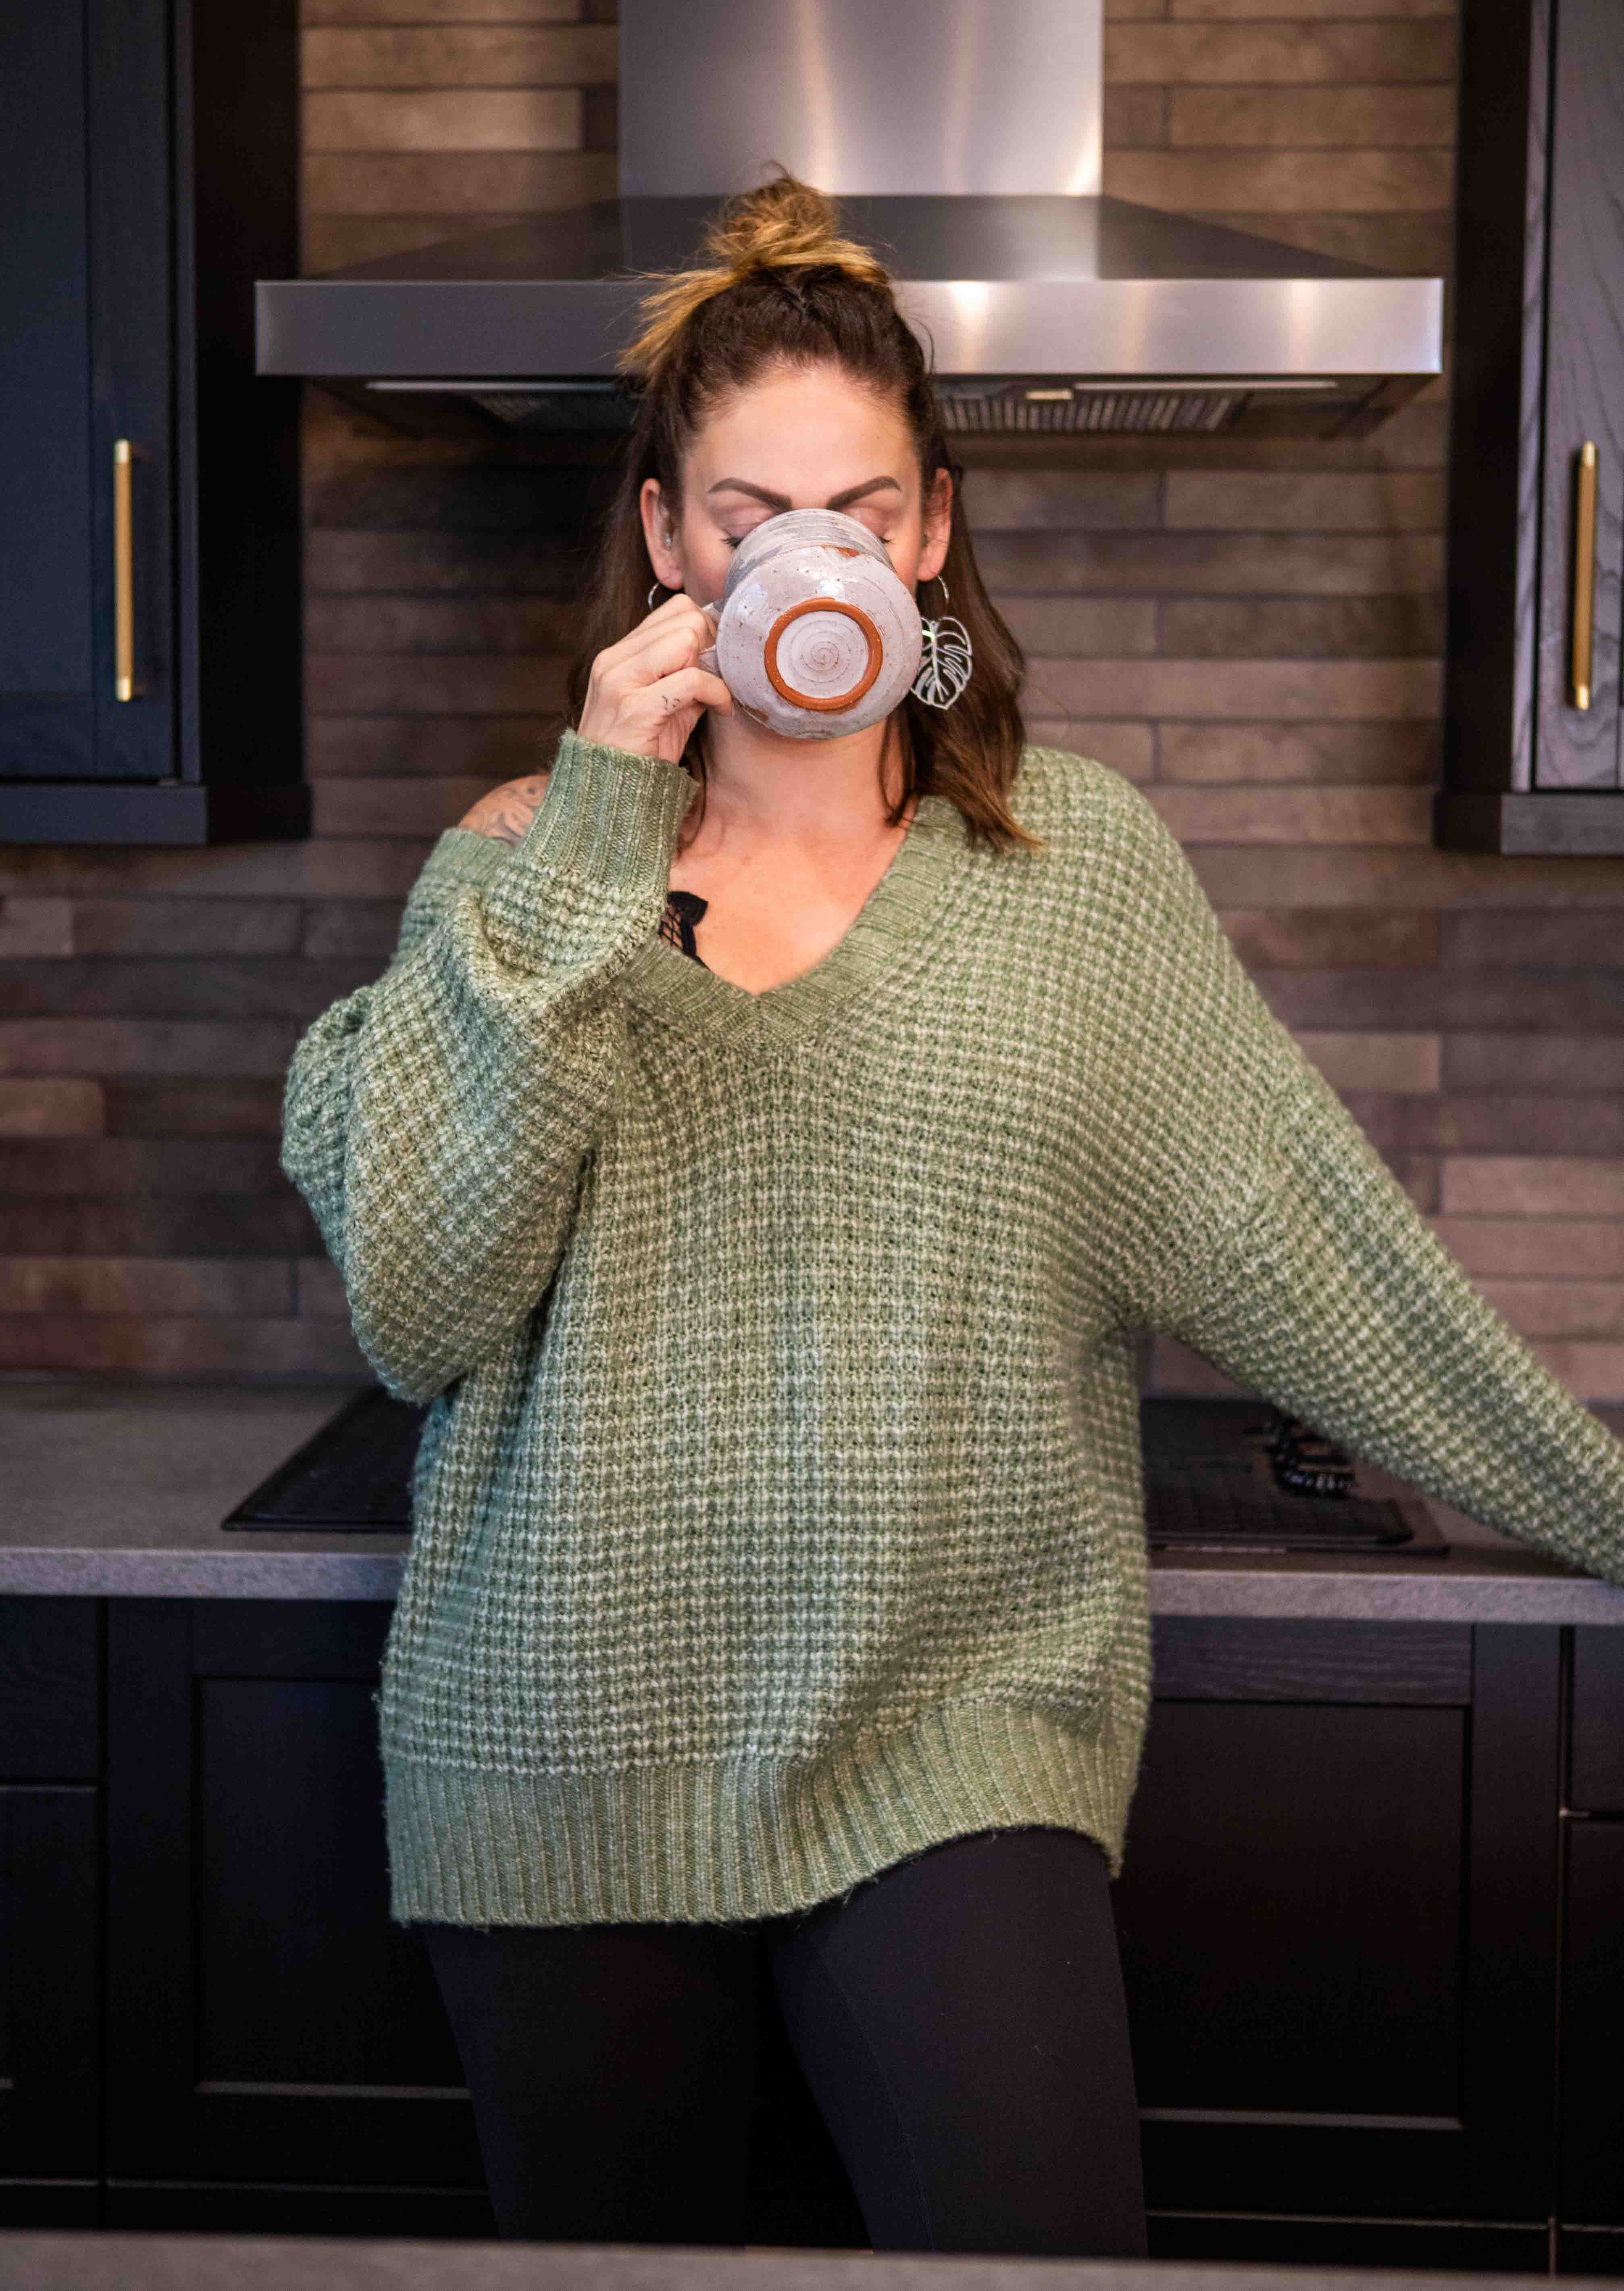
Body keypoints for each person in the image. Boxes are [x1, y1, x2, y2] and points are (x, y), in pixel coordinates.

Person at [279, 170, 1624, 2258]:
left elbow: (1327, 1260)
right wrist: (603, 827)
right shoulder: (522, 868)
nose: (803, 553)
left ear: (923, 539)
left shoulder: (1074, 869)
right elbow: (425, 1309)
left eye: (857, 506)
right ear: (669, 540)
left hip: (954, 1728)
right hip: (562, 1737)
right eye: (749, 515)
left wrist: (1613, 1505)